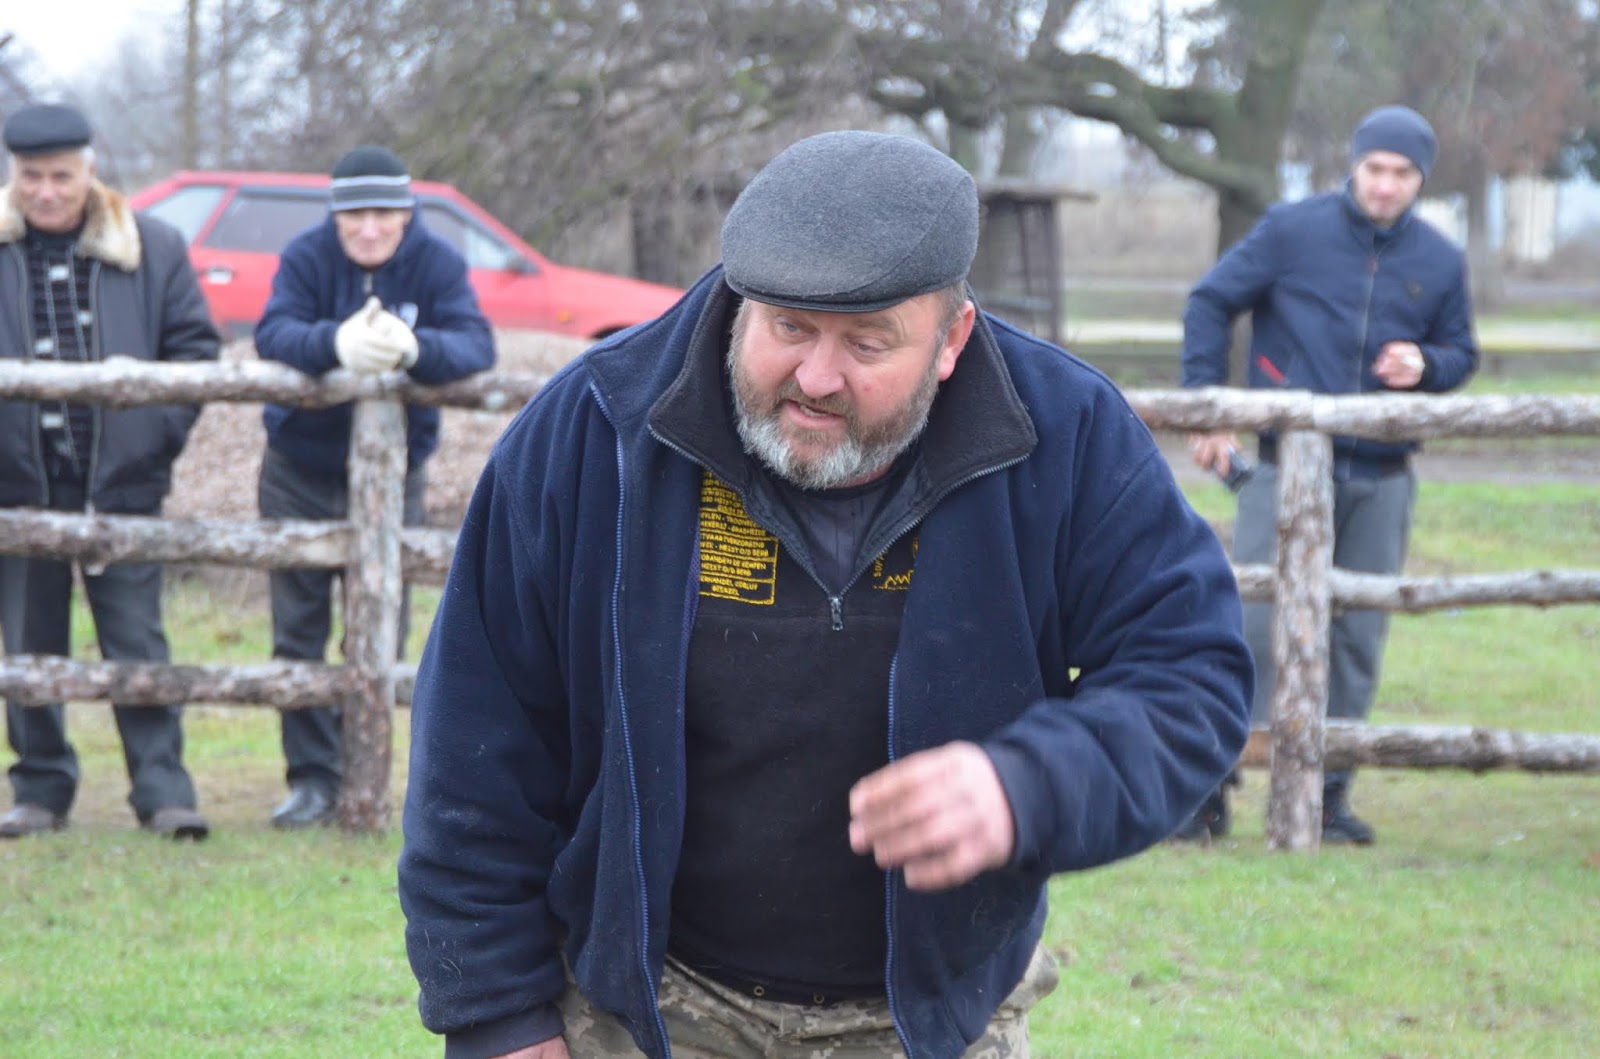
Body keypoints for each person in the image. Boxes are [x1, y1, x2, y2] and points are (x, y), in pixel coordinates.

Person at [398, 130, 1253, 1059]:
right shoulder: (599, 428)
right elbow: (477, 736)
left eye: (867, 342)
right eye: (788, 328)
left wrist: (1027, 784)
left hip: (929, 1023)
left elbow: (1191, 680)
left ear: (952, 339)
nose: (815, 377)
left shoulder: (1068, 436)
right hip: (644, 1008)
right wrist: (498, 1016)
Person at [1179, 105, 1479, 845]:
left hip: (1382, 476)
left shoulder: (1442, 260)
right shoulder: (1292, 230)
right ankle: (1206, 790)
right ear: (1354, 164)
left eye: (1402, 173)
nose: (1385, 184)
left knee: (1357, 636)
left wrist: (1427, 364)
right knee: (1249, 627)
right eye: (1375, 168)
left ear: (1421, 179)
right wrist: (1208, 409)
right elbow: (1210, 300)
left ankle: (1326, 794)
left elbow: (1462, 354)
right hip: (1282, 468)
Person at [253, 145, 495, 828]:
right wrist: (333, 344)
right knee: (298, 629)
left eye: (382, 214)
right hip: (298, 469)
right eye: (354, 215)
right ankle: (311, 779)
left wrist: (417, 350)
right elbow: (273, 332)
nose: (368, 229)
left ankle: (378, 775)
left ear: (405, 212)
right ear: (334, 216)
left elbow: (476, 345)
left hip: (396, 474)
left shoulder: (437, 262)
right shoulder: (305, 257)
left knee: (385, 627)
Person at [0, 103, 218, 840]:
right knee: (29, 644)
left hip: (123, 482)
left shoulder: (154, 245)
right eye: (32, 176)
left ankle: (163, 792)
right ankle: (39, 789)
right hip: (17, 487)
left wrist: (152, 440)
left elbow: (195, 351)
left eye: (61, 176)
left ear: (89, 172)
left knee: (138, 642)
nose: (46, 191)